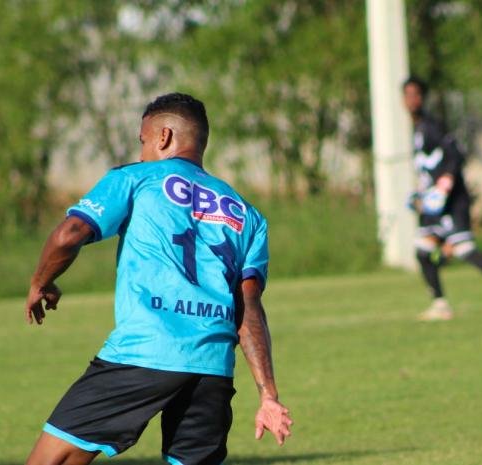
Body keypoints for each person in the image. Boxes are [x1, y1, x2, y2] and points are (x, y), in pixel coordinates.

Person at [23, 93, 293, 465]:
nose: (141, 152)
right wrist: (268, 395)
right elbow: (248, 306)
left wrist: (41, 281)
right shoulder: (247, 213)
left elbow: (69, 234)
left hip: (144, 351)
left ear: (163, 137)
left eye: (143, 142)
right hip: (213, 366)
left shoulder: (135, 179)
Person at [402, 76, 482, 321]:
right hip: (435, 203)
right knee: (424, 250)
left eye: (416, 94)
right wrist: (421, 193)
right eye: (407, 95)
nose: (411, 99)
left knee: (462, 249)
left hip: (450, 201)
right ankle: (441, 304)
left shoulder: (432, 125)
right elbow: (430, 167)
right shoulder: (417, 129)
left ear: (423, 97)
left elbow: (456, 154)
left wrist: (444, 186)